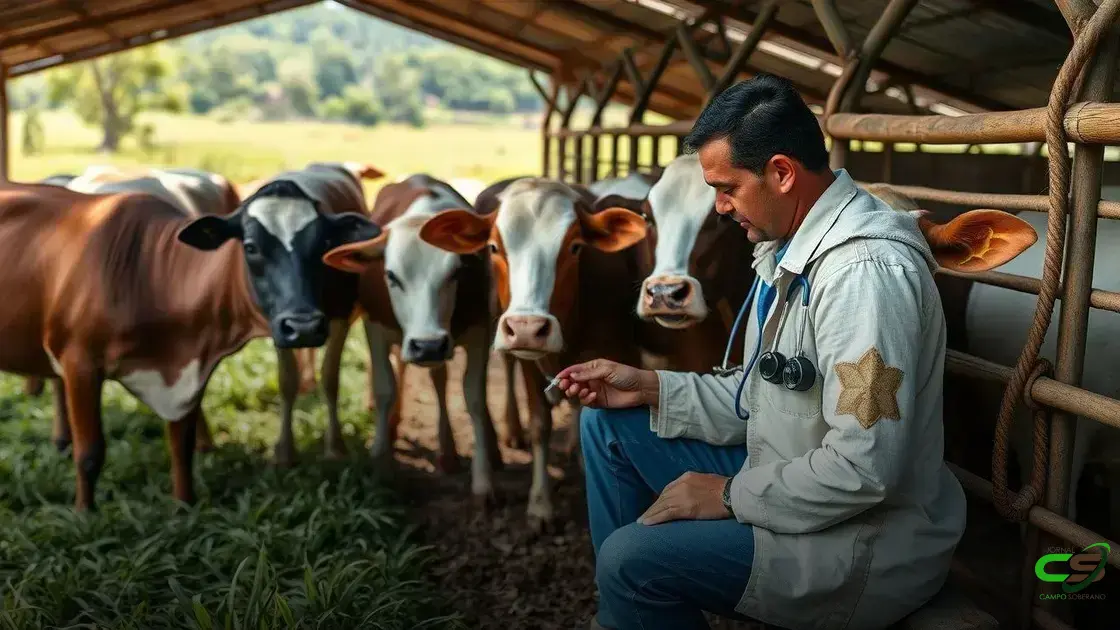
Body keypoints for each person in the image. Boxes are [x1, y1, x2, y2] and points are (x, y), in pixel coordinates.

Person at [555, 73, 967, 630]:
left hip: (862, 543)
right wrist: (649, 385)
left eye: (727, 188)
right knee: (607, 424)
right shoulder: (788, 253)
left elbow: (865, 469)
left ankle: (633, 589)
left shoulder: (861, 275)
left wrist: (726, 494)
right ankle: (629, 608)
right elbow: (760, 397)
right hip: (792, 477)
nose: (721, 208)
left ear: (780, 173)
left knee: (632, 562)